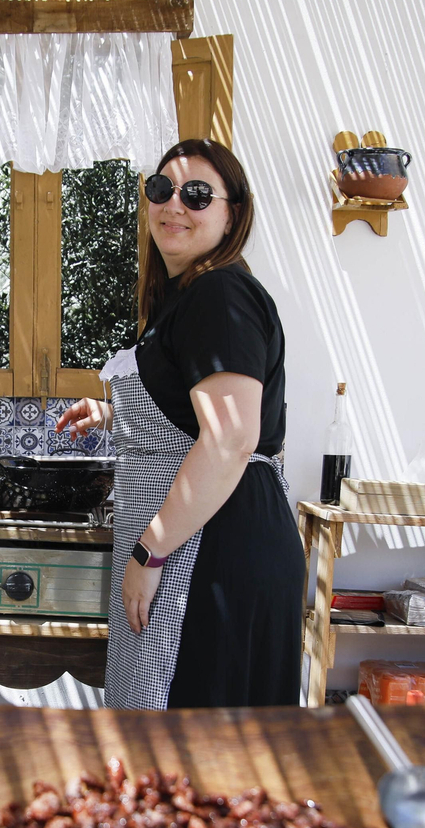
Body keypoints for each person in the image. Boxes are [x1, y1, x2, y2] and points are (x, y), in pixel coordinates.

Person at [55, 138, 304, 709]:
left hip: (211, 550)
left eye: (197, 195)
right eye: (161, 189)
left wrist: (150, 552)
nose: (174, 205)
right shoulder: (189, 296)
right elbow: (198, 418)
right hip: (206, 539)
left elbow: (231, 437)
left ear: (231, 213)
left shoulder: (219, 293)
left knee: (196, 758)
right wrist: (119, 413)